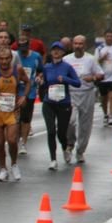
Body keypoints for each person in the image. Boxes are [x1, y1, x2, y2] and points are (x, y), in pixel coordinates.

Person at [0, 47, 30, 182]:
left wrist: (24, 97)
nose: (4, 62)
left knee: (11, 140)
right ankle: (3, 169)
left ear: (11, 59)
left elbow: (28, 82)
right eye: (1, 59)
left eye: (7, 59)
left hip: (12, 110)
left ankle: (14, 164)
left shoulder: (18, 70)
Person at [64, 35, 103, 164]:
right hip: (71, 94)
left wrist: (92, 78)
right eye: (76, 43)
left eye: (81, 44)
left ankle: (80, 152)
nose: (78, 46)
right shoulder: (66, 59)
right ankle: (69, 145)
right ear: (72, 45)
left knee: (85, 125)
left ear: (84, 45)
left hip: (87, 93)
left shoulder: (91, 59)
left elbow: (100, 74)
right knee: (70, 121)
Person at [42, 41, 81, 170]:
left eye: (59, 50)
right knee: (51, 131)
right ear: (51, 52)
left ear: (63, 52)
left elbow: (77, 83)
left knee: (61, 133)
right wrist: (40, 81)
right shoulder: (46, 67)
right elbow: (45, 84)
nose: (56, 52)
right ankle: (53, 159)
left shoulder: (67, 67)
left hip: (64, 104)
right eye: (54, 49)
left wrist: (65, 79)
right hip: (49, 103)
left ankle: (65, 148)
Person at [16, 36, 44, 155]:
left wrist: (39, 77)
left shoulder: (36, 56)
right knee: (16, 118)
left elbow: (41, 70)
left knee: (26, 119)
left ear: (28, 45)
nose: (22, 49)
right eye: (20, 47)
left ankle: (23, 143)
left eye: (24, 46)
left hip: (30, 91)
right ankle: (16, 139)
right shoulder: (15, 56)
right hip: (16, 90)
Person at [96, 29, 112, 126]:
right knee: (104, 98)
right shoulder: (100, 48)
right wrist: (102, 58)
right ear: (104, 37)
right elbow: (96, 62)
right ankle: (105, 114)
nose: (109, 38)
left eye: (111, 36)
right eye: (107, 36)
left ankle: (111, 116)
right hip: (103, 76)